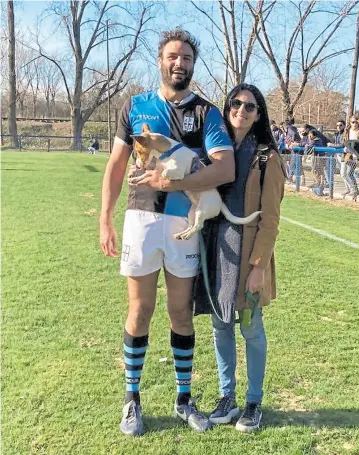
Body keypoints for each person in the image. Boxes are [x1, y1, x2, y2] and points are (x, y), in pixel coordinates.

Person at [99, 28, 235, 436]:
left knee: (180, 312)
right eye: (173, 56)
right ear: (160, 60)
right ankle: (132, 399)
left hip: (183, 224)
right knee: (140, 310)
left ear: (194, 65)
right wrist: (105, 217)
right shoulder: (136, 106)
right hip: (141, 221)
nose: (180, 64)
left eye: (187, 58)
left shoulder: (207, 113)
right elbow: (116, 166)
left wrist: (171, 185)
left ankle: (183, 400)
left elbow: (225, 168)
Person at [194, 83, 285, 433]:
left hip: (247, 258)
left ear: (259, 114)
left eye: (250, 106)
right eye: (236, 103)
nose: (241, 110)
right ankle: (226, 397)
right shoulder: (215, 151)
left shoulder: (267, 159)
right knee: (220, 327)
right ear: (227, 106)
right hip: (217, 251)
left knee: (250, 328)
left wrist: (258, 267)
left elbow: (271, 219)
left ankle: (253, 402)